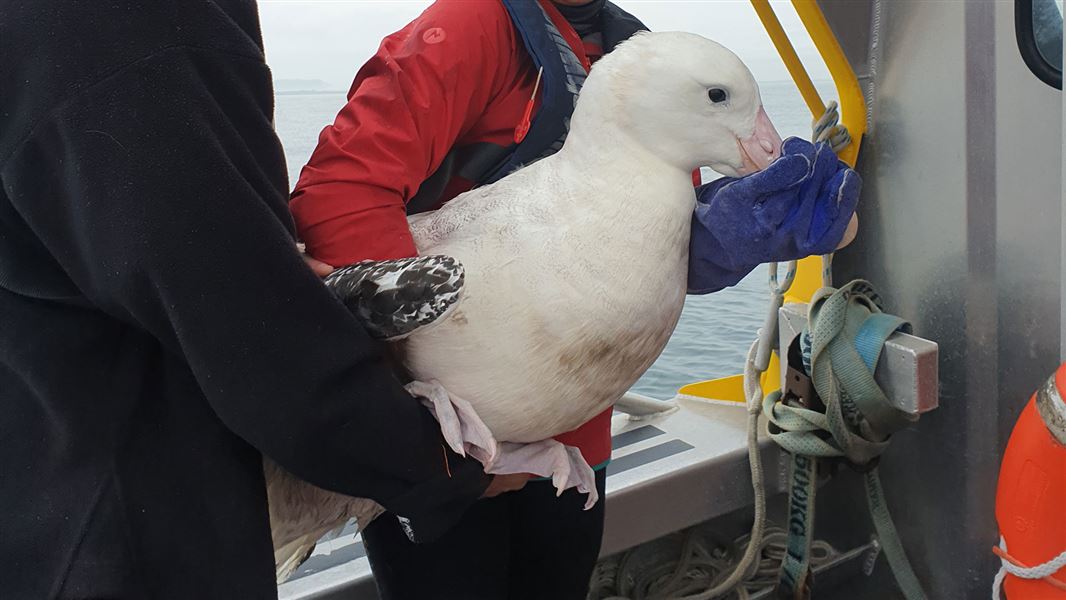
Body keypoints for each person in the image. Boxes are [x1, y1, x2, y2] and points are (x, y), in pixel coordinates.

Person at [290, 1, 859, 599]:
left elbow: (647, 242)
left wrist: (722, 236)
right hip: (442, 429)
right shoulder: (472, 25)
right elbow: (340, 192)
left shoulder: (637, 52)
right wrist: (408, 401)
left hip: (574, 422)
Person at [0, 1, 528, 598]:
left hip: (44, 492)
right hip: (119, 543)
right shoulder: (132, 26)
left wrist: (255, 249)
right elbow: (247, 327)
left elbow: (123, 233)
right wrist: (441, 467)